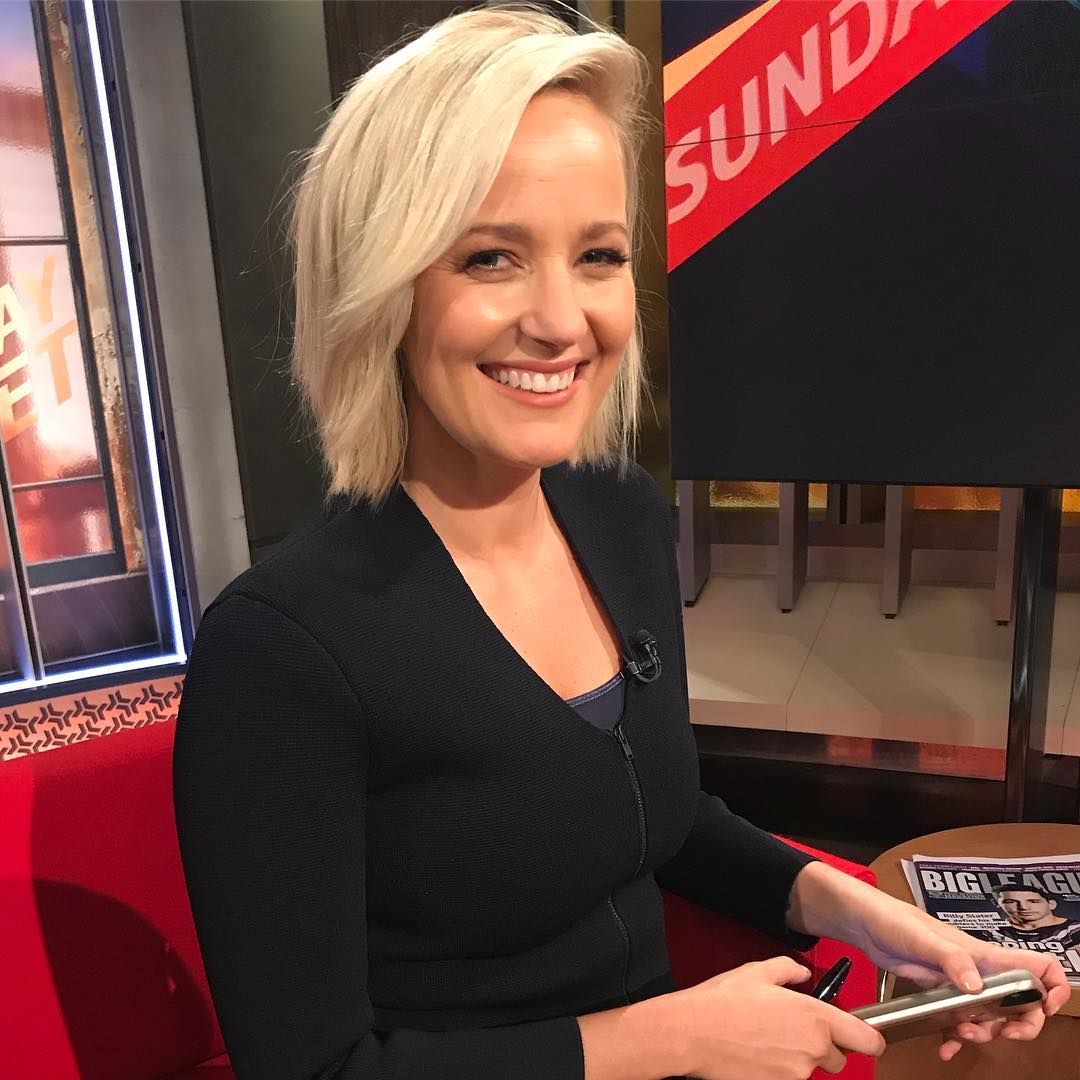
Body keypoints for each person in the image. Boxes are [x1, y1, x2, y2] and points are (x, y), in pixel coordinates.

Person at [171, 6, 1070, 1080]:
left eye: (597, 256)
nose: (563, 320)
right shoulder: (280, 650)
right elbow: (314, 1070)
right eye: (492, 258)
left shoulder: (620, 514)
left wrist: (870, 915)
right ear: (381, 286)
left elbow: (661, 819)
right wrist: (672, 1036)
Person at [977, 884, 1080, 950]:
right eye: (1010, 902)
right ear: (996, 903)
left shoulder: (1075, 930)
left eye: (1034, 901)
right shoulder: (987, 931)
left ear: (1051, 904)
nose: (1024, 907)